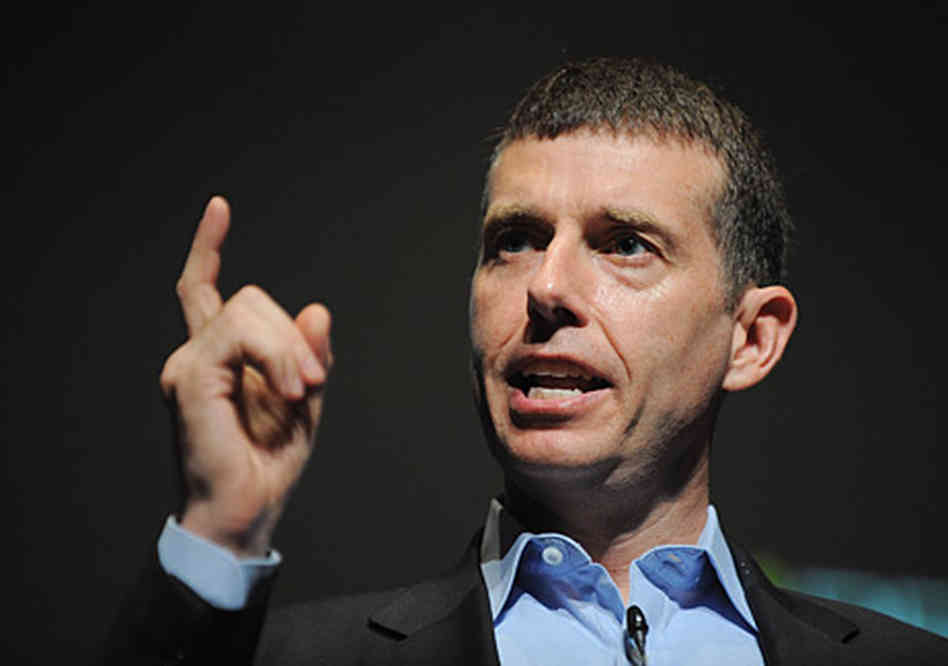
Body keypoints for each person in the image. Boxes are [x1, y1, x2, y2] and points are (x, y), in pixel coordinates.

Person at [103, 57, 947, 665]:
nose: (545, 287)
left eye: (625, 244)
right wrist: (220, 531)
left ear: (752, 338)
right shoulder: (293, 656)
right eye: (515, 240)